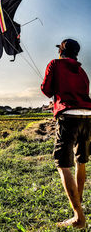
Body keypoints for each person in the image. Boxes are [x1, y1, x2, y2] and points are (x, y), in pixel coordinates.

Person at [41, 38, 91, 228]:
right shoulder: (82, 71)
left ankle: (79, 218)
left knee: (63, 165)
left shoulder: (55, 63)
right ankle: (78, 206)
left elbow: (46, 90)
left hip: (68, 117)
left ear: (61, 51)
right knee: (81, 162)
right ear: (76, 53)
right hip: (87, 116)